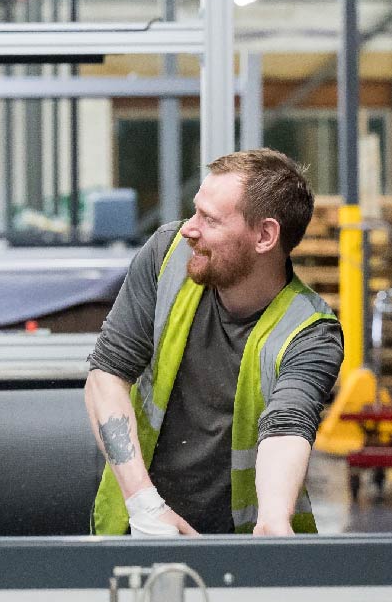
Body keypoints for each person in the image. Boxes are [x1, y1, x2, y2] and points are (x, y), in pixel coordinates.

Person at [86, 148, 343, 536]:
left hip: (242, 549)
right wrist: (143, 503)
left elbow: (287, 425)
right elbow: (106, 376)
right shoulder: (166, 256)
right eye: (195, 211)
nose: (190, 228)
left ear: (265, 235)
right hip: (142, 526)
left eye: (210, 219)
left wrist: (274, 518)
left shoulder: (310, 330)